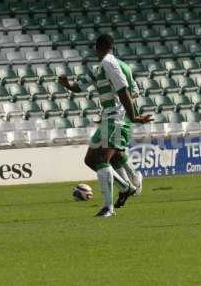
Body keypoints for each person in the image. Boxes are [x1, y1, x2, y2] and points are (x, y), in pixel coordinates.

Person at [58, 34, 153, 217]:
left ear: (97, 48)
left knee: (102, 159)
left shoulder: (110, 64)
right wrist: (67, 85)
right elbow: (81, 87)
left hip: (117, 118)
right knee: (90, 160)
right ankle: (126, 187)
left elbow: (124, 91)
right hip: (110, 117)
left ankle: (109, 208)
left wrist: (132, 116)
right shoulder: (103, 67)